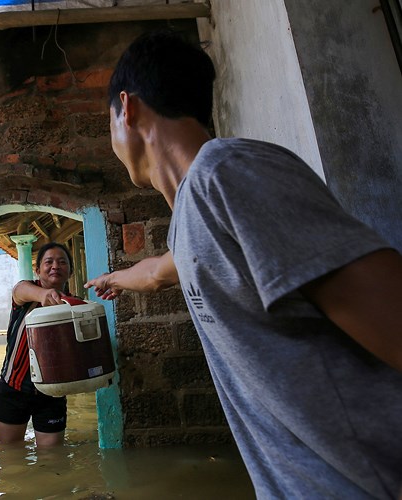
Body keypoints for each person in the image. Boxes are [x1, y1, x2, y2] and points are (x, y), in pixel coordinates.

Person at [84, 30, 402, 499]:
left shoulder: (225, 174)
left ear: (127, 109)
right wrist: (114, 278)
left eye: (109, 121)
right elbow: (157, 271)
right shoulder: (192, 217)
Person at [0, 241, 76, 447]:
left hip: (53, 392)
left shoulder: (74, 305)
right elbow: (19, 289)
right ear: (38, 270)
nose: (55, 266)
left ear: (71, 271)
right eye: (49, 262)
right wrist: (44, 295)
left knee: (52, 459)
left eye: (62, 262)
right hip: (13, 388)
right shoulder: (26, 295)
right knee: (9, 454)